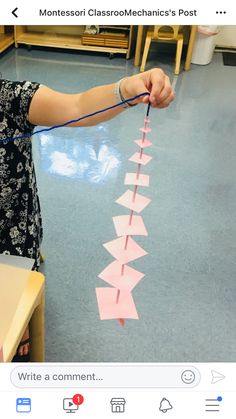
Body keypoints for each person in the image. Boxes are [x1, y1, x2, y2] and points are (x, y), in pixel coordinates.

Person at [0, 68, 174, 360]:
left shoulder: (9, 98)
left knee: (9, 326)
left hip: (10, 233)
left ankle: (22, 312)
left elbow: (77, 105)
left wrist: (126, 90)